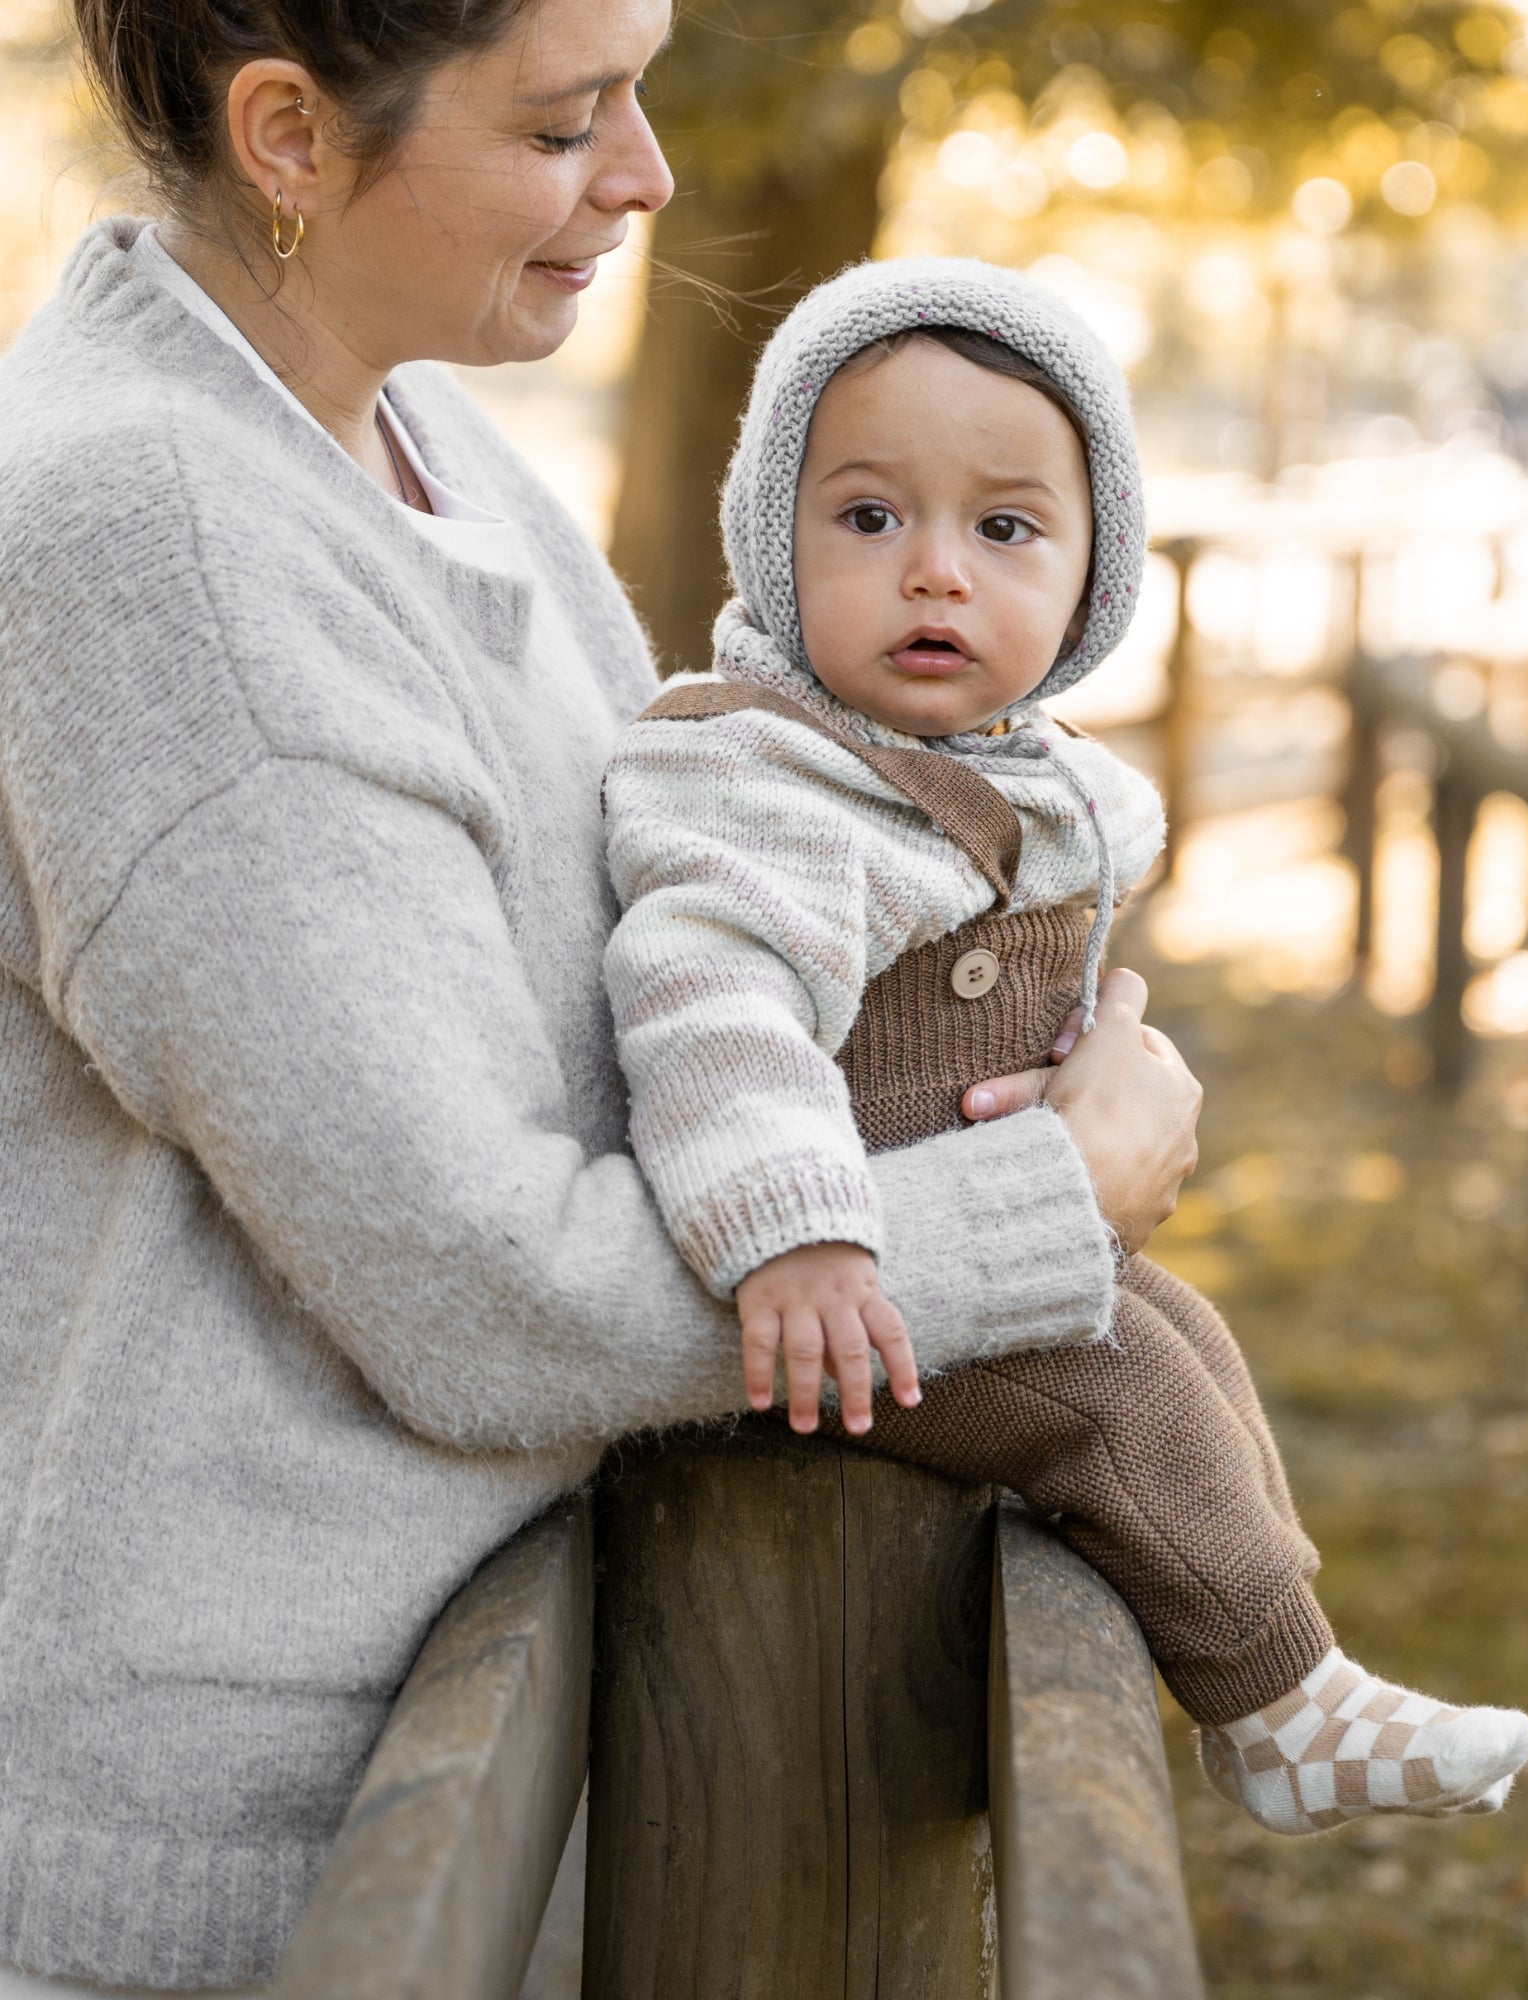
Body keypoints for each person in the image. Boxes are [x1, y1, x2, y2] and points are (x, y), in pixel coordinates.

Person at [0, 2, 1206, 1990]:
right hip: (237, 1857)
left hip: (491, 1707)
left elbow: (670, 965)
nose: (646, 176)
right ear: (289, 134)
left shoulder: (408, 434)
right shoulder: (165, 542)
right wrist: (1039, 1205)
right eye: (566, 122)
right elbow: (481, 1284)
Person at [599, 258, 1528, 1839]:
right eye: (869, 517)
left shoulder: (1006, 773)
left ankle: (1287, 1651)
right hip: (842, 1303)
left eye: (1006, 528)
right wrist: (796, 1233)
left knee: (1187, 1335)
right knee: (1115, 1390)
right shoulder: (759, 781)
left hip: (956, 1250)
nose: (935, 574)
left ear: (1094, 575)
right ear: (772, 537)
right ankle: (1274, 1698)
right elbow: (710, 1008)